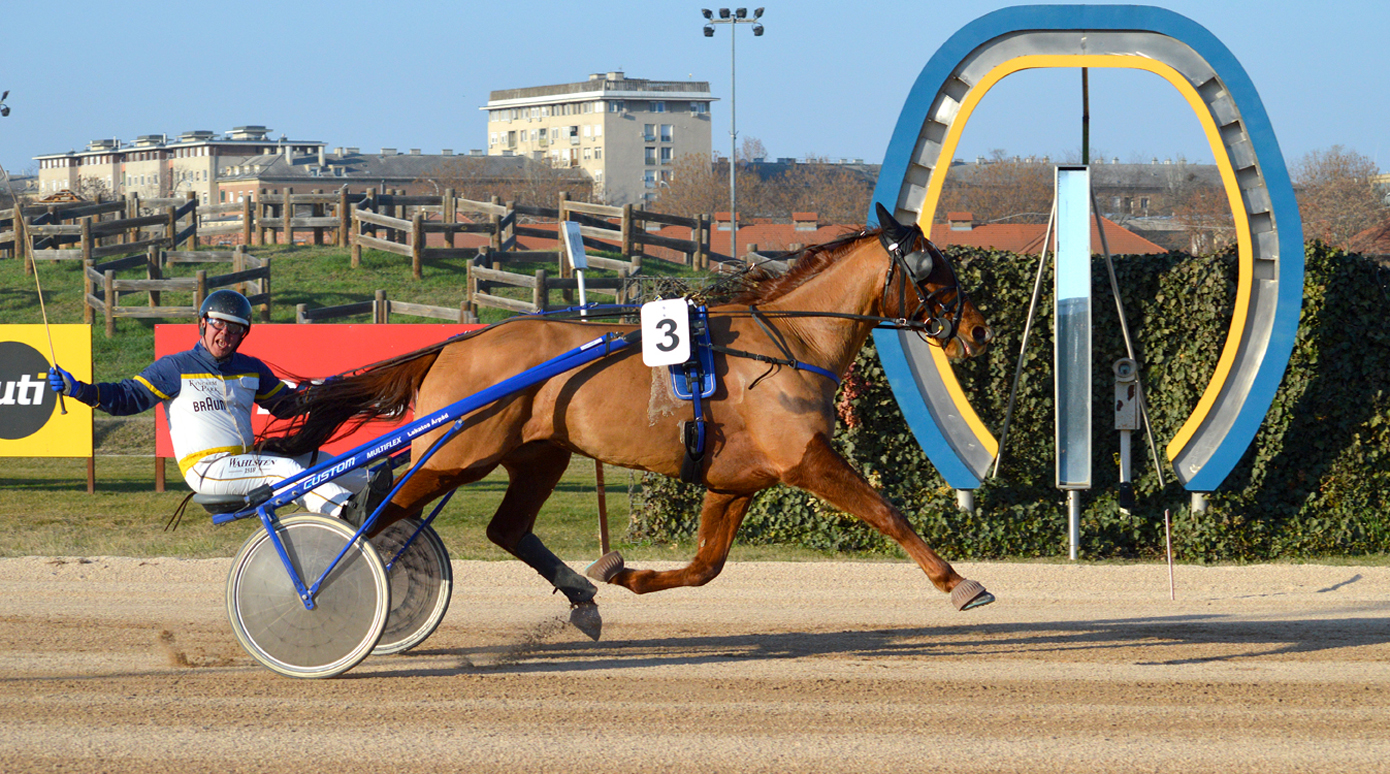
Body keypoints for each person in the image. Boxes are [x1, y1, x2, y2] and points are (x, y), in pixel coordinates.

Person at [48, 289, 381, 520]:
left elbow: (286, 406)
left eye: (235, 329)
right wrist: (79, 389)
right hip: (206, 469)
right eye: (219, 324)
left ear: (244, 335)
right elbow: (127, 398)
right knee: (286, 469)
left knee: (317, 460)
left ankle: (379, 492)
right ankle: (347, 513)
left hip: (244, 463)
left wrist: (328, 392)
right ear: (203, 323)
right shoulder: (174, 367)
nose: (225, 334)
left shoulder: (251, 367)